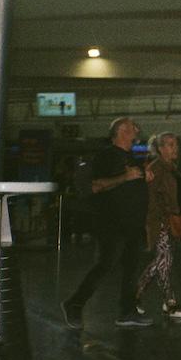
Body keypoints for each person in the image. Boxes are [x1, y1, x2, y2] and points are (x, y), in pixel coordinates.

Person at [61, 117, 154, 329]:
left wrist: (143, 176)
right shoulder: (106, 156)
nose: (137, 128)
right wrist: (125, 177)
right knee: (106, 265)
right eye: (132, 126)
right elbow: (95, 186)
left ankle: (127, 312)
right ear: (120, 131)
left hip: (133, 224)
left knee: (131, 269)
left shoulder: (131, 157)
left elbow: (134, 185)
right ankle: (74, 304)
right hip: (113, 223)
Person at [134, 132, 181, 319]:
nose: (175, 148)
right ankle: (165, 301)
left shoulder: (170, 167)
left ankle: (165, 301)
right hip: (160, 221)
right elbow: (149, 197)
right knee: (163, 260)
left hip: (168, 220)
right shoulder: (157, 168)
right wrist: (163, 217)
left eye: (176, 144)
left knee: (164, 261)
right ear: (160, 149)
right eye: (170, 145)